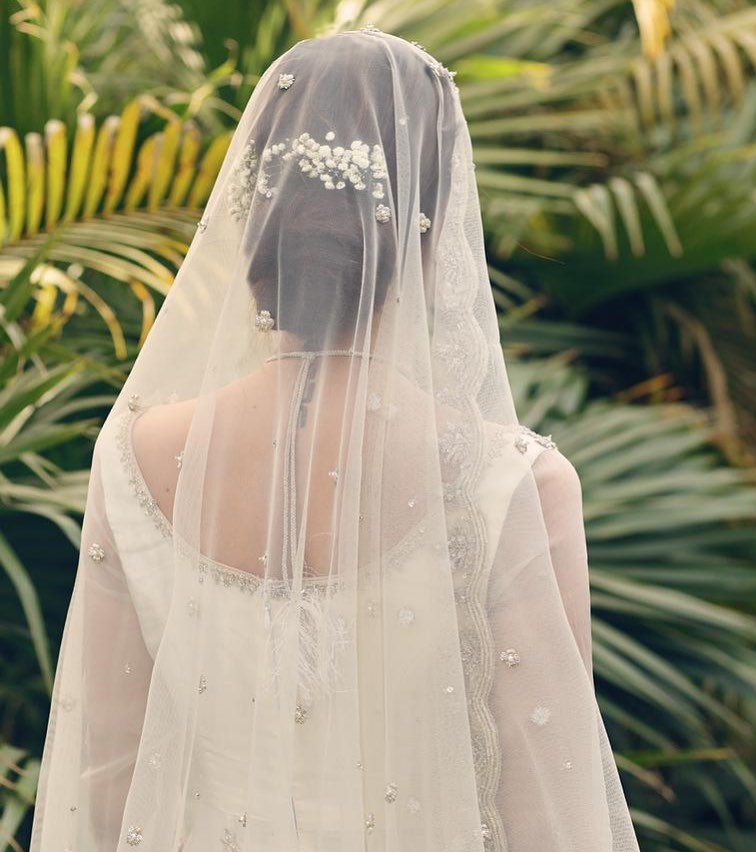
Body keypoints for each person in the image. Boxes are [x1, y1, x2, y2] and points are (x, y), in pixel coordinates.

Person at [29, 28, 641, 851]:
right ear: (430, 227)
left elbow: (100, 784)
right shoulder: (513, 486)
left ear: (255, 221)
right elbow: (550, 811)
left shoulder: (138, 461)